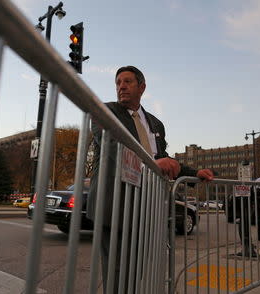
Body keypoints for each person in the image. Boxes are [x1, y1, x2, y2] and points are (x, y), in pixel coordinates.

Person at [86, 66, 214, 293]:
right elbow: (112, 146)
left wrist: (195, 173)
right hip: (115, 204)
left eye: (127, 82)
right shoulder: (105, 111)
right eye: (118, 82)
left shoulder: (155, 124)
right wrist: (153, 164)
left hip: (147, 207)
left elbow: (162, 158)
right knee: (117, 273)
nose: (121, 86)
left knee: (138, 270)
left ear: (142, 87)